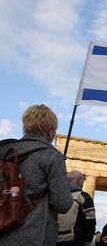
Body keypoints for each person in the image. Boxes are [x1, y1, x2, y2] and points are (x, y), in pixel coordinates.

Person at [0, 104, 73, 246]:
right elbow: (62, 204)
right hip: (32, 234)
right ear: (50, 129)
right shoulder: (52, 156)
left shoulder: (4, 151)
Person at [57, 170, 96, 246]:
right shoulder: (84, 196)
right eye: (83, 180)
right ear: (78, 181)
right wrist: (87, 241)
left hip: (53, 239)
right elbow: (90, 221)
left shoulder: (57, 196)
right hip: (73, 240)